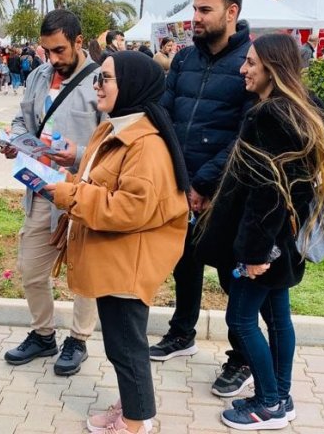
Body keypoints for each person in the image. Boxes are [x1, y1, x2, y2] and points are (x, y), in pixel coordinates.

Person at [194, 33, 324, 430]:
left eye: (252, 63)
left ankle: (268, 402)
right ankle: (283, 395)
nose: (243, 69)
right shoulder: (303, 109)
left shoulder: (269, 117)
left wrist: (255, 253)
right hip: (286, 240)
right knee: (278, 319)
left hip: (266, 243)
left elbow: (267, 194)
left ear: (272, 69)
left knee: (241, 319)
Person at [45, 51, 190, 434]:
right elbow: (98, 182)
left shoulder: (146, 144)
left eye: (105, 79)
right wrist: (67, 181)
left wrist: (68, 196)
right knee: (121, 344)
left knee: (126, 347)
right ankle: (133, 406)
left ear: (131, 85)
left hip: (129, 261)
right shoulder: (114, 128)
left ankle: (136, 423)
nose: (97, 85)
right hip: (115, 256)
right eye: (98, 79)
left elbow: (130, 209)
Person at [150, 0, 257, 399]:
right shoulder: (182, 60)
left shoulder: (251, 60)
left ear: (232, 12)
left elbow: (246, 135)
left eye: (204, 10)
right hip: (181, 184)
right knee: (185, 262)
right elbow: (164, 114)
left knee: (231, 278)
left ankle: (242, 358)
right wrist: (177, 177)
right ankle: (182, 333)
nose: (194, 17)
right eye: (194, 9)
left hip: (226, 192)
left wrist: (206, 184)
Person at [0, 9, 103, 377]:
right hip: (41, 189)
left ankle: (79, 339)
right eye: (47, 51)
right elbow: (20, 118)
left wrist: (77, 154)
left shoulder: (101, 81)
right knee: (30, 268)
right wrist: (15, 140)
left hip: (83, 193)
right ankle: (44, 335)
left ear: (79, 41)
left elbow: (113, 144)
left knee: (84, 273)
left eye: (59, 50)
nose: (53, 59)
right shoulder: (39, 75)